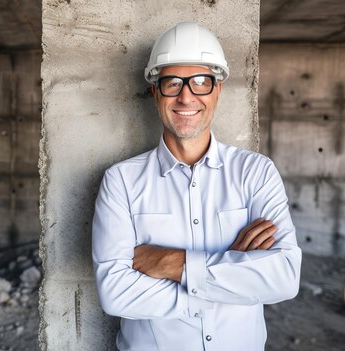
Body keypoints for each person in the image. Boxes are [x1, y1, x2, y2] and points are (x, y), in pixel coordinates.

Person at [92, 22, 302, 351]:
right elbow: (115, 293)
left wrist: (171, 264)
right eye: (172, 83)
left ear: (218, 90)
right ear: (156, 92)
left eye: (201, 82)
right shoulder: (121, 181)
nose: (186, 95)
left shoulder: (256, 173)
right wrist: (232, 273)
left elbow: (285, 277)